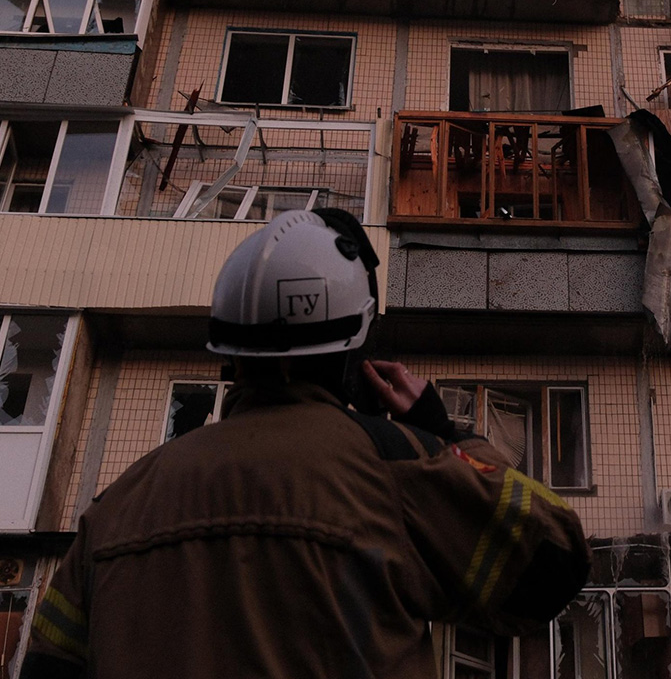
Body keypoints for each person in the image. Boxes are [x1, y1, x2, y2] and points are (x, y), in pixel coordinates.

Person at [22, 208, 589, 678]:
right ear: (355, 350)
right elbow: (555, 559)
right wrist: (442, 430)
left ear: (230, 352)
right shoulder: (392, 467)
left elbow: (47, 666)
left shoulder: (118, 506)